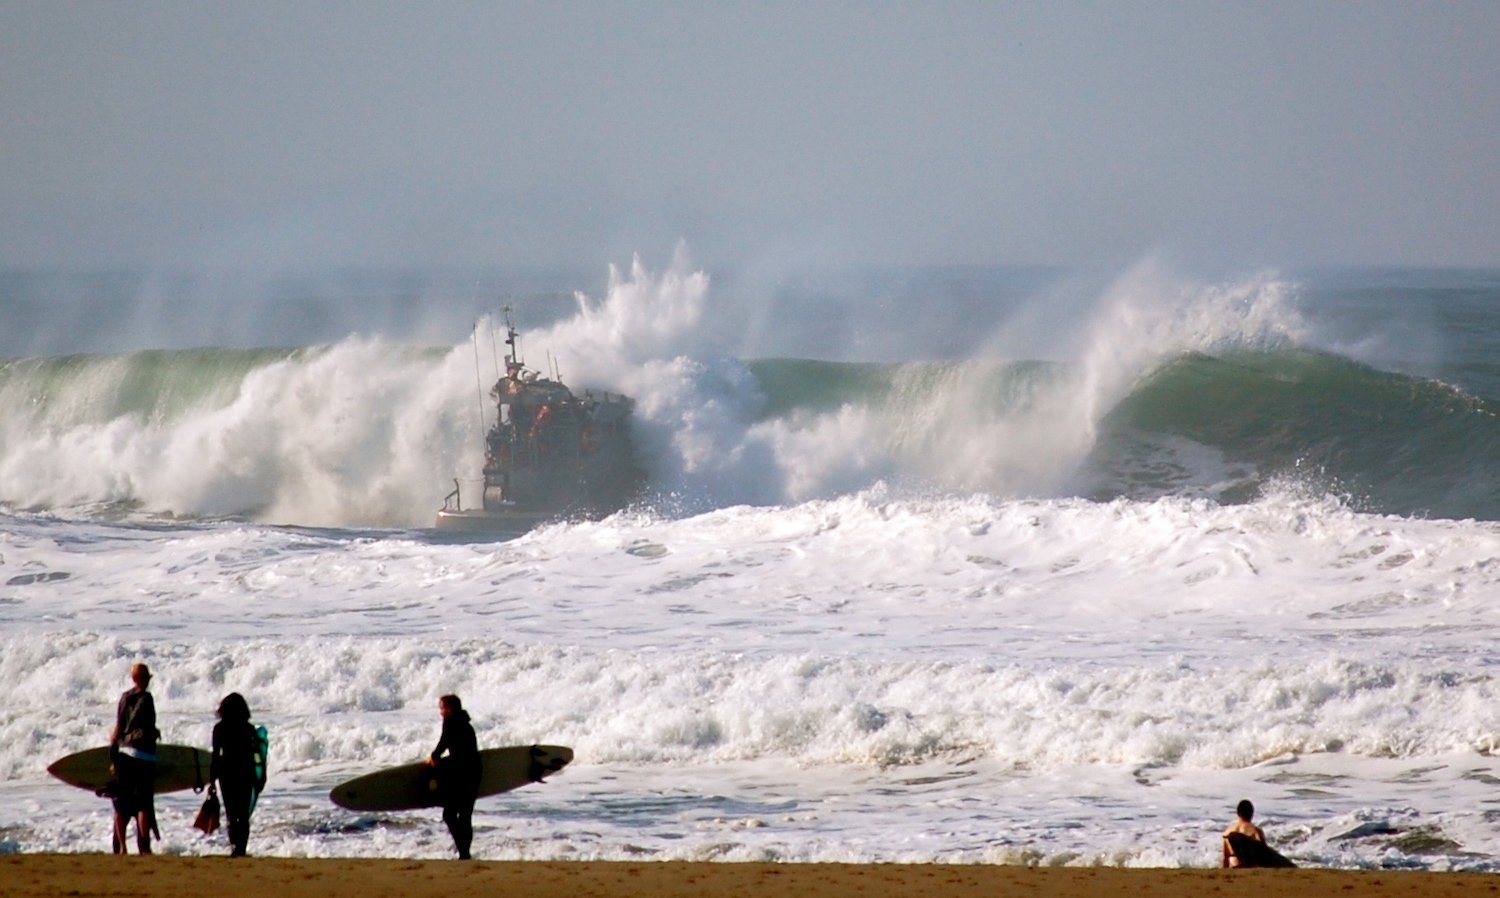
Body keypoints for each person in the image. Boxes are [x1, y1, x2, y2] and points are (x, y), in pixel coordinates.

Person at [109, 662, 159, 854]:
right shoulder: (147, 698)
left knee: (122, 804)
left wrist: (113, 756)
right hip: (144, 755)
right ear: (143, 679)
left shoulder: (124, 698)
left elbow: (119, 727)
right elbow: (147, 725)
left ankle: (121, 847)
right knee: (144, 804)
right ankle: (144, 847)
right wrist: (154, 732)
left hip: (125, 753)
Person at [209, 692, 266, 857]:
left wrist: (211, 781)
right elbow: (258, 756)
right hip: (246, 772)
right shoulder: (249, 729)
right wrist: (261, 776)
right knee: (243, 814)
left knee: (231, 813)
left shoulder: (219, 729)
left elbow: (215, 757)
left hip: (226, 773)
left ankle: (234, 847)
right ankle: (241, 848)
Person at [428, 694, 481, 859]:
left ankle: (464, 853)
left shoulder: (450, 721)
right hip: (475, 770)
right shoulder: (466, 723)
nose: (441, 712)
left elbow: (444, 742)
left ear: (449, 709)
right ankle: (465, 853)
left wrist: (434, 757)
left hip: (461, 773)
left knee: (449, 815)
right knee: (465, 815)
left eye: (442, 708)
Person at [1221, 798, 1294, 868]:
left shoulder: (1227, 832)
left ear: (1237, 813)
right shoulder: (1255, 831)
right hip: (1249, 867)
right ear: (1252, 813)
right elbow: (1264, 856)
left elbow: (1225, 858)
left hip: (1233, 867)